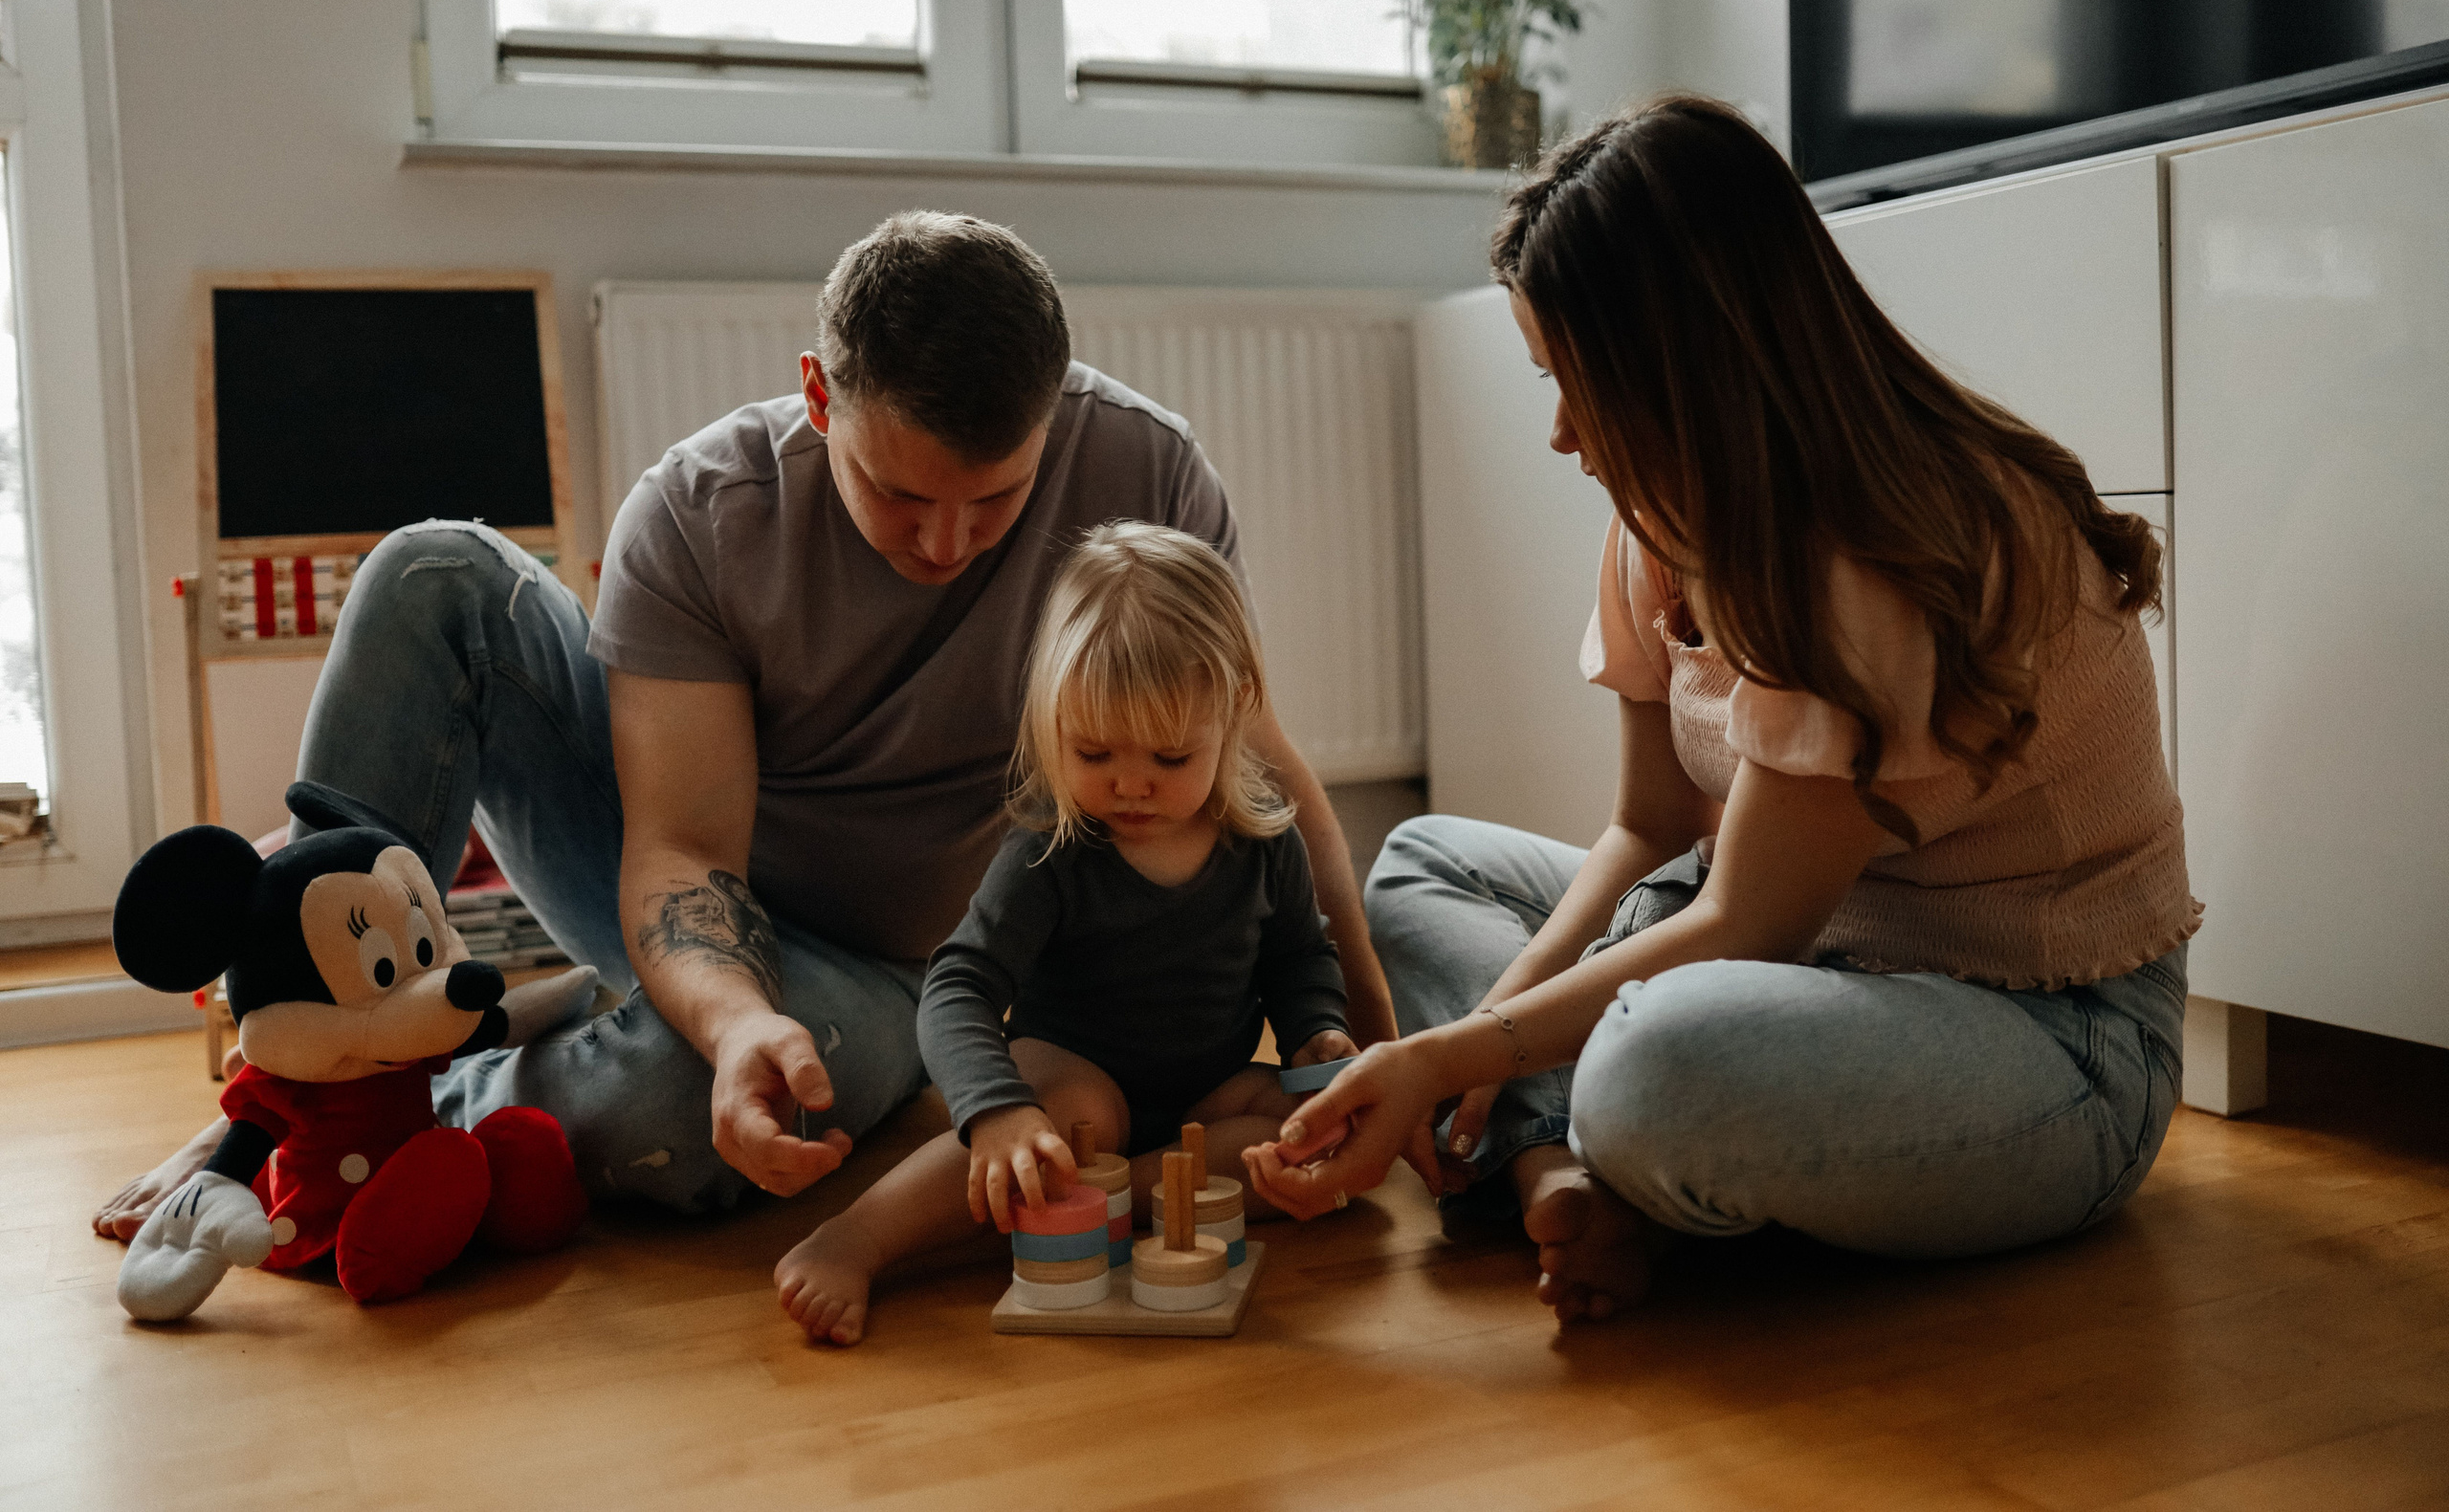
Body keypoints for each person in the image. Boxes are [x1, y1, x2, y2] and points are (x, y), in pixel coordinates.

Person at [97, 211, 1395, 1238]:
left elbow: (1255, 762)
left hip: (889, 971)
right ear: (819, 395)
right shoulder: (702, 510)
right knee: (433, 570)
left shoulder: (1148, 472)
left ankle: (421, 1096)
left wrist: (1386, 1054)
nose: (945, 543)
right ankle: (289, 1102)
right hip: (695, 882)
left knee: (681, 1115)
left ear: (1050, 423)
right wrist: (730, 1016)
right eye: (900, 494)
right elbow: (680, 854)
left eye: (994, 502)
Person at [1246, 96, 2200, 1325]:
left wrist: (1448, 1056)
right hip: (1805, 957)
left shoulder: (1878, 555)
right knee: (1426, 865)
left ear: (1681, 364)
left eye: (1574, 383)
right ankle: (1556, 1165)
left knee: (1662, 1058)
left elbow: (1743, 920)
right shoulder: (1660, 521)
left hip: (2046, 1035)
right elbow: (1649, 826)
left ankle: (1582, 1145)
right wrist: (1484, 1037)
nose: (1557, 434)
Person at [775, 520, 1357, 1345]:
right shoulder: (1050, 853)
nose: (1130, 782)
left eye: (1167, 756)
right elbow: (958, 988)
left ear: (1233, 716)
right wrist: (995, 1111)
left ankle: (1125, 1193)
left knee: (1307, 1134)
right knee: (1066, 1114)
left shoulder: (1266, 844)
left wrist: (1318, 1031)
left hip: (1208, 1090)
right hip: (1072, 1080)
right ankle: (856, 1238)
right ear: (1052, 719)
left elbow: (1302, 957)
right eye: (1093, 749)